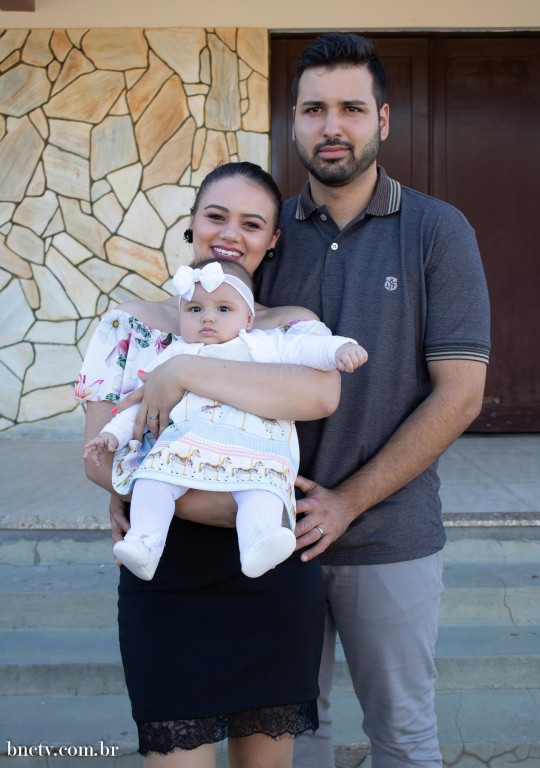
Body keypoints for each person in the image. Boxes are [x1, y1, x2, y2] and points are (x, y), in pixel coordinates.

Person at [254, 32, 491, 768]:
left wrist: (347, 502)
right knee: (296, 734)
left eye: (352, 108)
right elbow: (199, 351)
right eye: (314, 109)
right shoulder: (262, 235)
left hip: (391, 534)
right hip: (271, 532)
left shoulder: (436, 231)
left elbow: (461, 397)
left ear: (383, 120)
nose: (333, 126)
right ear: (292, 121)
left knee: (404, 736)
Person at [76, 161, 343, 768]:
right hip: (165, 568)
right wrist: (213, 507)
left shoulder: (290, 326)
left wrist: (184, 370)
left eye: (252, 223)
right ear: (192, 223)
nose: (230, 234)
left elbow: (320, 395)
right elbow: (97, 456)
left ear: (273, 239)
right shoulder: (127, 324)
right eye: (216, 216)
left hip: (270, 573)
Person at [83, 259, 365, 580]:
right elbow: (140, 404)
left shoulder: (264, 345)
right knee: (151, 480)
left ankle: (258, 542)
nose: (208, 317)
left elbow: (308, 348)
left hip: (251, 449)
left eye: (223, 309)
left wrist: (340, 349)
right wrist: (112, 435)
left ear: (248, 319)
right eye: (194, 309)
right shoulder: (173, 356)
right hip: (184, 449)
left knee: (263, 488)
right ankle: (144, 542)